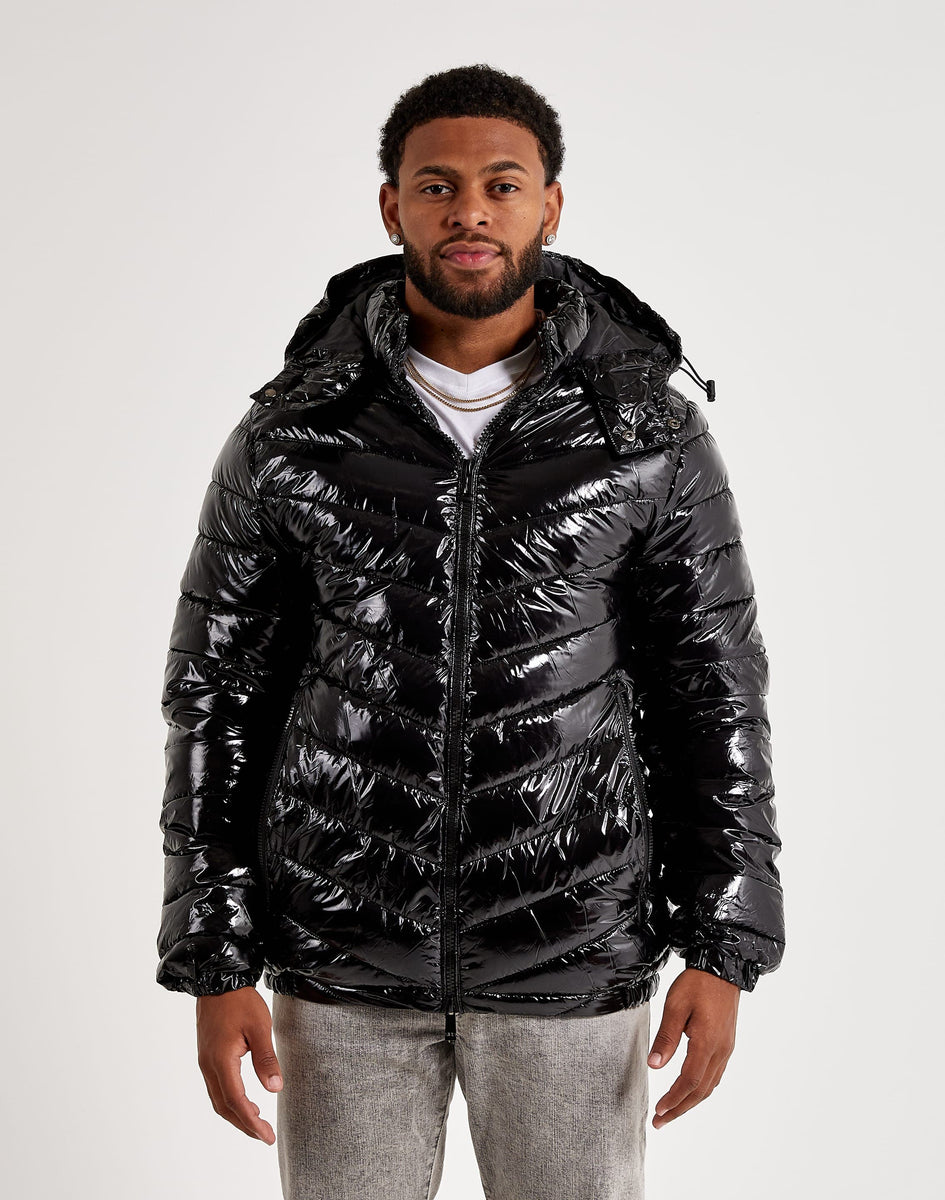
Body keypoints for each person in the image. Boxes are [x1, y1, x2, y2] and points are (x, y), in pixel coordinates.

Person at [156, 63, 784, 1200]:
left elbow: (714, 688)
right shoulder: (293, 431)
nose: (470, 212)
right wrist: (214, 955)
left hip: (573, 949)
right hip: (340, 951)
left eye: (503, 184)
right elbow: (217, 695)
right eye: (436, 186)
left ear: (551, 204)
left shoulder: (646, 432)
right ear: (391, 207)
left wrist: (724, 940)